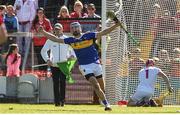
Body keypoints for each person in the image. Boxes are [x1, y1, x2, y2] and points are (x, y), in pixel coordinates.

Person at [38, 20, 121, 111]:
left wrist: (115, 26)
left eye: (76, 27)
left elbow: (103, 32)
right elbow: (55, 39)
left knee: (102, 87)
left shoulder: (88, 35)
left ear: (80, 28)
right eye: (72, 28)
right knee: (96, 85)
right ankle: (107, 105)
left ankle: (104, 99)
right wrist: (43, 32)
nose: (75, 29)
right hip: (85, 67)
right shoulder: (70, 40)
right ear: (70, 31)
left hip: (96, 64)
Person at [41, 23, 76, 107]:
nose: (57, 30)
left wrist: (72, 56)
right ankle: (57, 102)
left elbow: (73, 50)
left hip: (64, 65)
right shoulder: (50, 40)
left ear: (62, 29)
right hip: (54, 65)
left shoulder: (67, 39)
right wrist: (48, 59)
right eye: (56, 29)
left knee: (63, 82)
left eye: (59, 29)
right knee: (55, 83)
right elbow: (43, 51)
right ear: (54, 30)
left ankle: (62, 101)